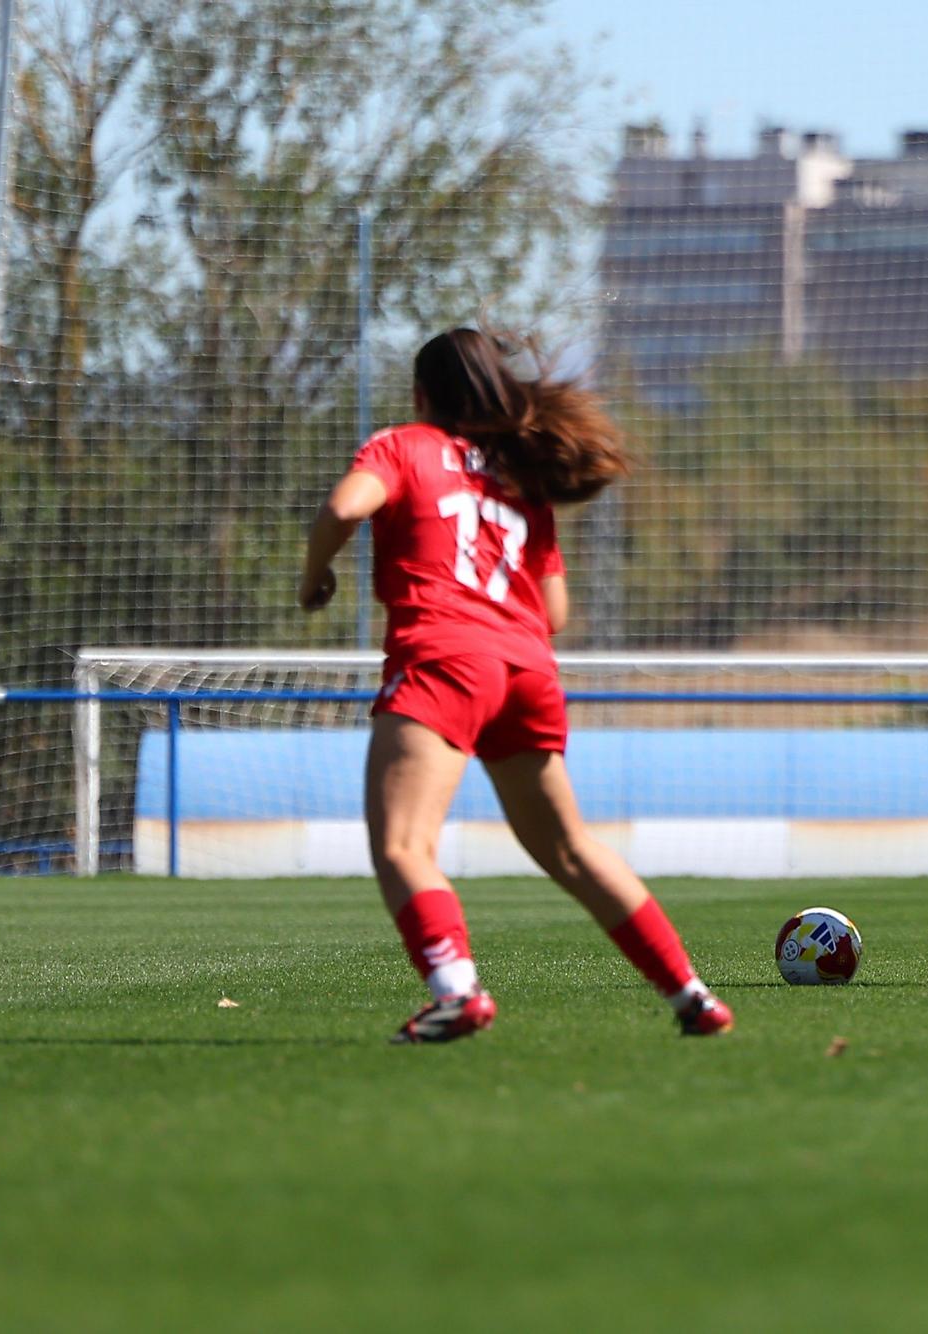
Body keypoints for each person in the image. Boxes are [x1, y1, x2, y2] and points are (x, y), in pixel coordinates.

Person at [298, 327, 733, 1041]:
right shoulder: (520, 477)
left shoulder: (403, 445)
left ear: (422, 395)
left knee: (404, 845)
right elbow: (554, 611)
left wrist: (314, 576)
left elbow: (345, 509)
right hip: (527, 670)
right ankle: (691, 995)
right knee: (571, 849)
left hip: (445, 658)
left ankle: (457, 992)